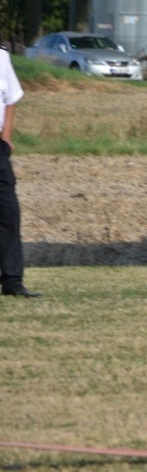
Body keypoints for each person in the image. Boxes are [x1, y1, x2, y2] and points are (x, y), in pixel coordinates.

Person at [0, 46, 41, 298]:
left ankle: (12, 281)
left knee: (8, 212)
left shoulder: (1, 57)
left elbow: (11, 98)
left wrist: (6, 136)